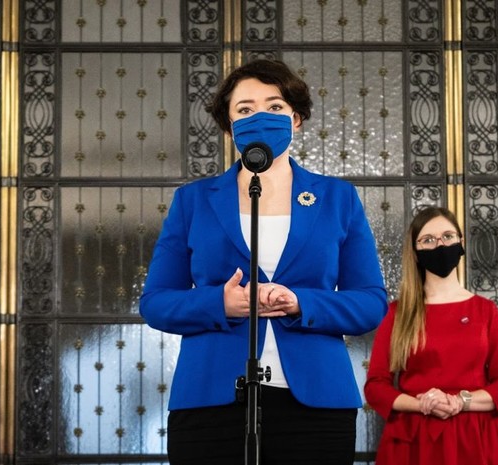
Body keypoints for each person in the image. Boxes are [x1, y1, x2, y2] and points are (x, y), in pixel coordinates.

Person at [140, 59, 387, 465]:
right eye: (245, 109)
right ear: (229, 126)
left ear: (296, 119)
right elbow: (155, 302)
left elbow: (370, 302)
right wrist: (221, 303)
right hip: (210, 399)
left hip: (316, 404)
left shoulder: (338, 198)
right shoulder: (193, 200)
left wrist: (301, 302)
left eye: (274, 106)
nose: (260, 117)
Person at [364, 206, 498, 465]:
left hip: (478, 440)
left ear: (461, 242)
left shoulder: (485, 311)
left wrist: (460, 401)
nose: (440, 245)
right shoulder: (397, 313)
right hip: (412, 442)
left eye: (448, 236)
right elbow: (376, 387)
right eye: (428, 240)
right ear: (415, 252)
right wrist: (423, 404)